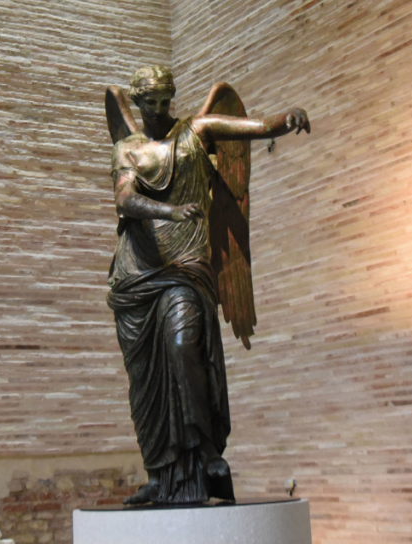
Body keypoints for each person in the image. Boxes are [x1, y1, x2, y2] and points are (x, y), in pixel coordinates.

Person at [106, 65, 309, 505]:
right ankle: (160, 474)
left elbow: (256, 128)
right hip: (137, 275)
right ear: (137, 102)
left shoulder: (196, 132)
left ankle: (206, 451)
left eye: (165, 100)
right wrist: (170, 211)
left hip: (185, 271)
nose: (158, 108)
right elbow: (124, 198)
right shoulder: (127, 148)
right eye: (150, 102)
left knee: (183, 346)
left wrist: (285, 119)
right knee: (145, 380)